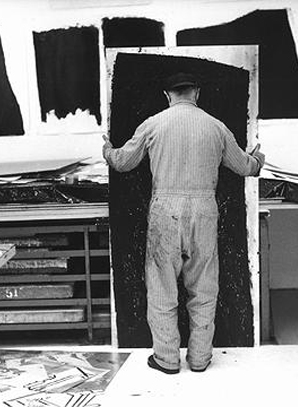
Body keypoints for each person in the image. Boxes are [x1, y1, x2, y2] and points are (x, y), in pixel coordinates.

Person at [102, 72, 265, 374]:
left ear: (168, 95)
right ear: (196, 93)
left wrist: (108, 151)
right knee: (204, 288)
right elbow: (245, 167)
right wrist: (257, 159)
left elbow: (124, 162)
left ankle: (166, 360)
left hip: (165, 210)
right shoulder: (216, 127)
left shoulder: (153, 124)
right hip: (205, 210)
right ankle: (200, 360)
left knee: (162, 287)